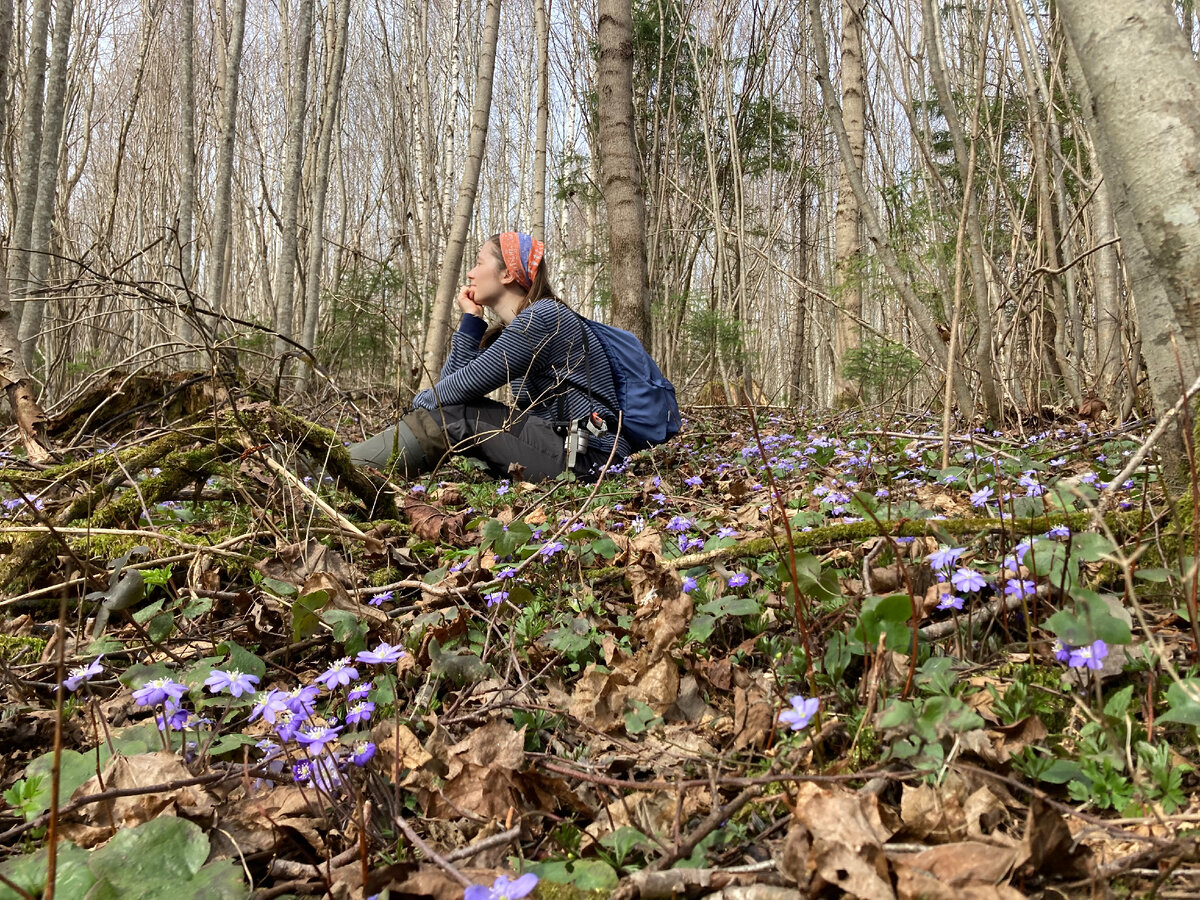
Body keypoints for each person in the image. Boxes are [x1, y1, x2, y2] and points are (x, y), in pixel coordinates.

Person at [348, 232, 631, 481]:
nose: (470, 273)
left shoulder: (543, 318)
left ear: (507, 274)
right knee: (450, 412)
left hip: (592, 456)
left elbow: (457, 390)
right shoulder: (522, 324)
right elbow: (451, 392)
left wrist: (421, 403)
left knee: (455, 415)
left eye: (479, 262)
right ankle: (346, 462)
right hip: (569, 448)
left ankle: (343, 468)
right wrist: (471, 320)